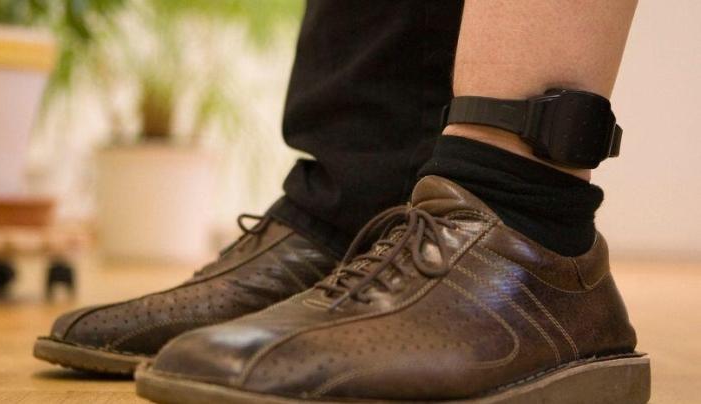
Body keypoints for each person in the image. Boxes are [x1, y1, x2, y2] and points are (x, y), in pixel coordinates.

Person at [36, 1, 649, 402]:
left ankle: (526, 222)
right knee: (364, 188)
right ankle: (356, 207)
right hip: (368, 193)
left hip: (529, 230)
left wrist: (515, 189)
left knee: (510, 186)